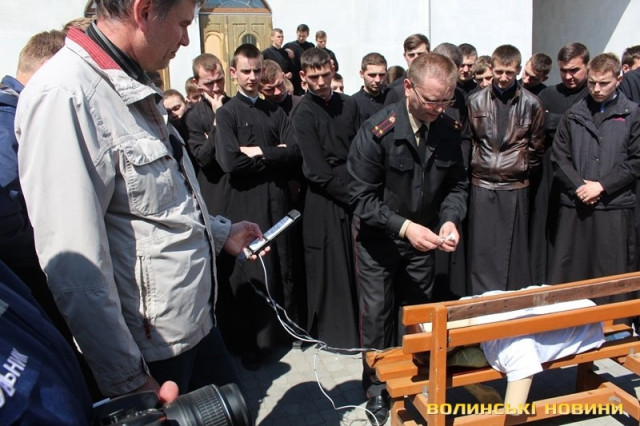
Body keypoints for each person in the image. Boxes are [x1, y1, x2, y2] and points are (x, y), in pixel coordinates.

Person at [15, 0, 266, 398]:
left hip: (195, 324)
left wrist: (219, 234)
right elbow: (75, 267)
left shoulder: (129, 79)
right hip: (151, 355)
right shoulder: (66, 95)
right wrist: (127, 379)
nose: (187, 40)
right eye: (183, 24)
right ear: (144, 11)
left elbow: (159, 203)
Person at [347, 52, 468, 425]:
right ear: (408, 87)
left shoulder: (448, 128)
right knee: (378, 317)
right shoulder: (377, 131)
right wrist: (405, 227)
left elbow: (456, 185)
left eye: (446, 100)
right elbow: (360, 198)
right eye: (431, 100)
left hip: (424, 241)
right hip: (379, 242)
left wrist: (450, 221)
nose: (438, 108)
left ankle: (413, 380)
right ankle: (377, 390)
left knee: (417, 315)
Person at [215, 43, 302, 370]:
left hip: (276, 198)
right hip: (246, 201)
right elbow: (230, 162)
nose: (252, 77)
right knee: (253, 269)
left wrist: (258, 152)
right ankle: (256, 343)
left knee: (281, 265)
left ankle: (284, 332)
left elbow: (295, 152)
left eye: (256, 71)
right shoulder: (227, 114)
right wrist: (274, 153)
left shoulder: (275, 111)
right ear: (234, 73)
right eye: (246, 71)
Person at [549, 53, 640, 291]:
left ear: (619, 80)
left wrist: (601, 186)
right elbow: (559, 157)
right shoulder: (574, 114)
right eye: (592, 83)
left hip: (614, 205)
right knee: (572, 277)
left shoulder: (633, 114)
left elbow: (636, 160)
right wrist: (579, 186)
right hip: (576, 205)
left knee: (610, 278)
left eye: (603, 83)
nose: (597, 89)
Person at [291, 47, 361, 350]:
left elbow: (360, 147)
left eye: (325, 75)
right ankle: (338, 336)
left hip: (355, 186)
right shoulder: (303, 113)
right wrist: (353, 196)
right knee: (333, 266)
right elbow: (315, 170)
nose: (321, 82)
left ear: (333, 70)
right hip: (326, 197)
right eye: (314, 77)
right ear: (303, 77)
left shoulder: (349, 104)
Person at [466, 45, 545, 295]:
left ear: (518, 70)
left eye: (509, 72)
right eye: (499, 71)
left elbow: (537, 147)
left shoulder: (532, 103)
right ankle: (480, 301)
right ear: (491, 68)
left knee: (513, 254)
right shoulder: (475, 101)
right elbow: (471, 140)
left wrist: (520, 167)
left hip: (515, 185)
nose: (503, 78)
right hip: (482, 182)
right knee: (481, 251)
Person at [530, 43, 590, 284]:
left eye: (574, 70)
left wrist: (555, 121)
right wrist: (569, 121)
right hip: (548, 171)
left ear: (587, 65)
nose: (568, 76)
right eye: (563, 70)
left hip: (582, 169)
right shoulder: (548, 95)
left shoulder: (592, 95)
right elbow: (537, 124)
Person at [183, 53, 230, 215]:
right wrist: (217, 121)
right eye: (209, 83)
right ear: (197, 83)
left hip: (242, 190)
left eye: (219, 80)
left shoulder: (236, 106)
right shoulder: (192, 117)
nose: (216, 88)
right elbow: (204, 158)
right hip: (214, 192)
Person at [384, 33, 430, 106]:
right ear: (405, 56)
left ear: (429, 54)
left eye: (420, 54)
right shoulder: (394, 90)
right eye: (411, 55)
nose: (416, 58)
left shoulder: (440, 83)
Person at [352, 52, 389, 122]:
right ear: (361, 74)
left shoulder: (392, 97)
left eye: (381, 75)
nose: (377, 80)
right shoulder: (354, 103)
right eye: (372, 75)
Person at [283, 24, 315, 95]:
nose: (301, 38)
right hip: (293, 79)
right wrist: (286, 50)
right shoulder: (289, 46)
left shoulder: (311, 46)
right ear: (296, 33)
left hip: (306, 77)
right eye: (299, 36)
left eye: (303, 36)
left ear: (308, 35)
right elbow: (280, 56)